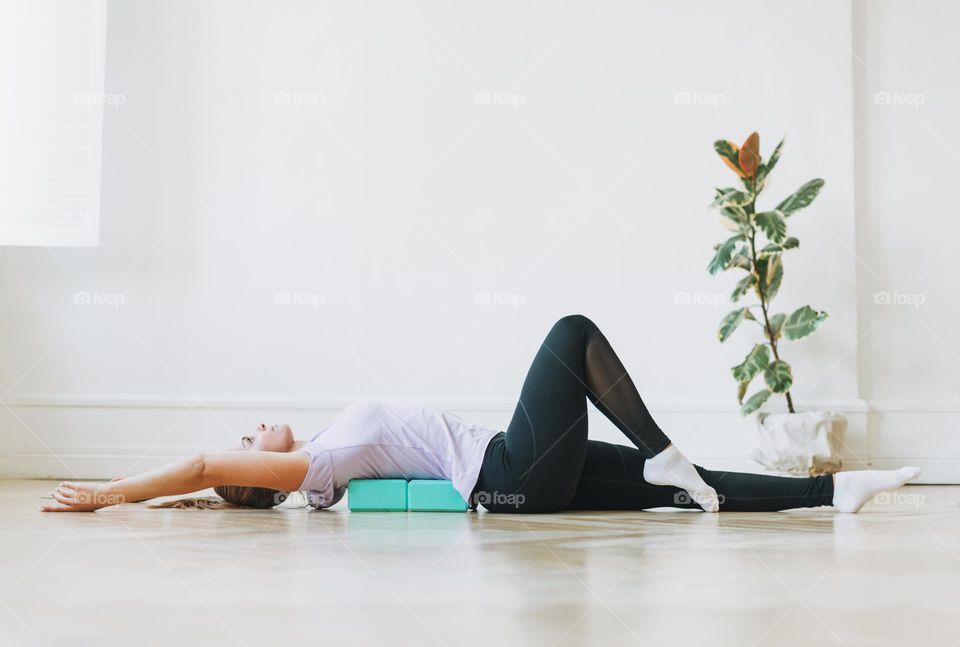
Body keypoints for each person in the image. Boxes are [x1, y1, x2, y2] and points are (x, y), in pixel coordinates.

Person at [41, 315, 920, 514]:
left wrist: (187, 504)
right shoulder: (309, 467)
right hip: (506, 475)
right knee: (571, 333)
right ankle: (662, 449)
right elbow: (200, 467)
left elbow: (206, 483)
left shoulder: (322, 455)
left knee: (689, 496)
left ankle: (834, 494)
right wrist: (111, 494)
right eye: (245, 445)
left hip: (516, 474)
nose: (253, 429)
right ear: (258, 472)